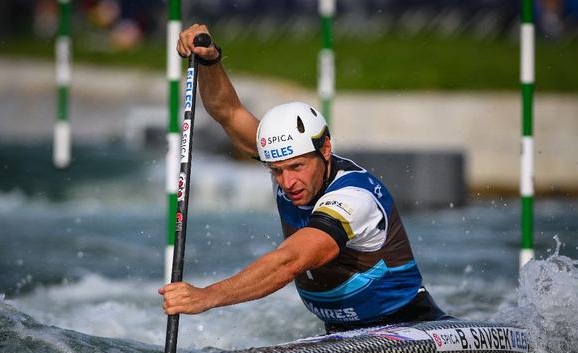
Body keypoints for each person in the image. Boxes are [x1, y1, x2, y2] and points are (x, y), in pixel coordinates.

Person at [160, 24, 450, 334]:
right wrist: (209, 60)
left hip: (410, 328)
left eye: (296, 167)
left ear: (325, 148)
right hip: (341, 334)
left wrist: (207, 296)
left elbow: (290, 261)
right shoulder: (286, 163)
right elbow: (227, 112)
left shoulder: (355, 198)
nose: (286, 182)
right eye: (276, 170)